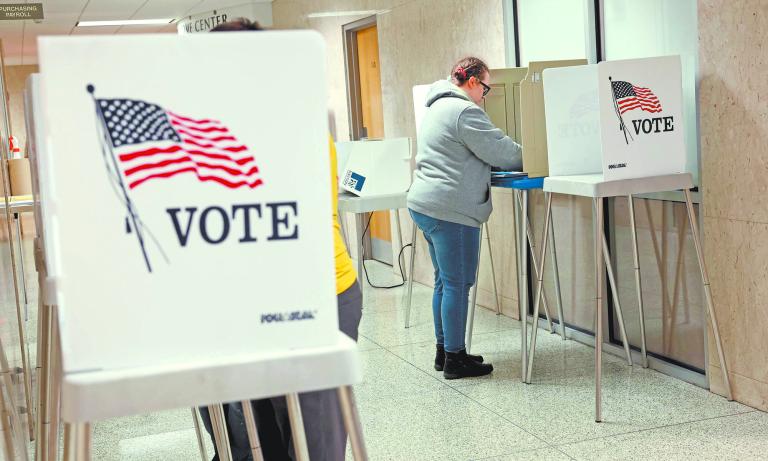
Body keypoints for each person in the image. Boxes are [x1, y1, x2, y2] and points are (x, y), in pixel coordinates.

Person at [198, 18, 363, 461]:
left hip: (318, 297)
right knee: (258, 434)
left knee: (314, 444)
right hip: (249, 303)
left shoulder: (292, 125)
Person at [407, 56, 522, 380]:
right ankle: (456, 360)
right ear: (472, 81)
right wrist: (541, 152)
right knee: (458, 284)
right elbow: (504, 152)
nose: (485, 96)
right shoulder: (464, 111)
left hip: (426, 204)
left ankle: (445, 352)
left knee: (445, 282)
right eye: (485, 88)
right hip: (451, 210)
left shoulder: (437, 106)